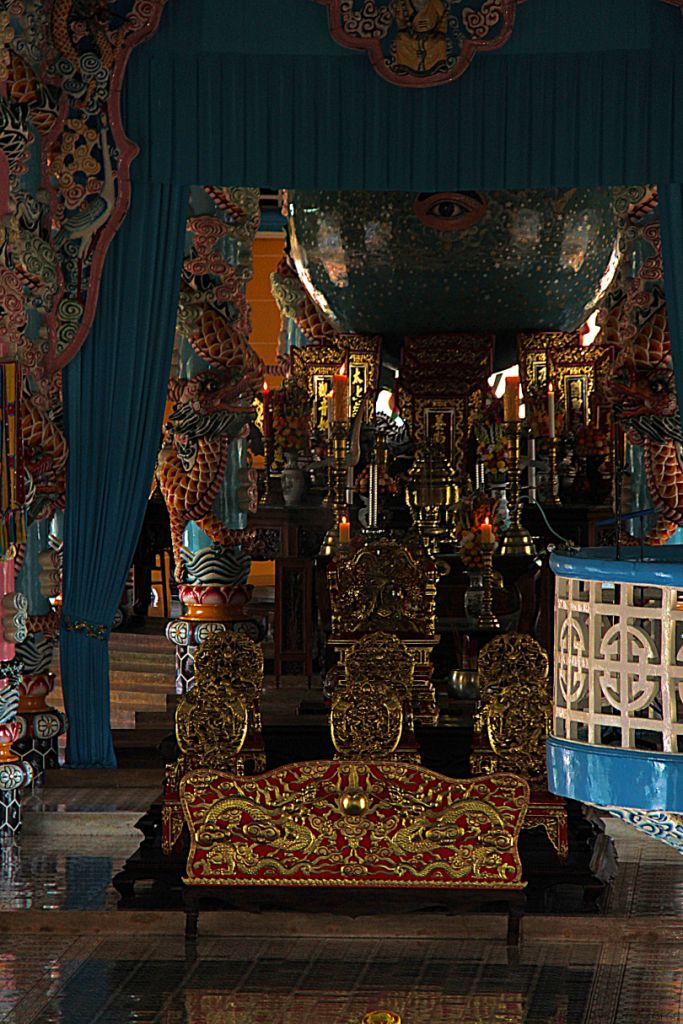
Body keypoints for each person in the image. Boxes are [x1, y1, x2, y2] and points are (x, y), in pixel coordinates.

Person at [391, 0, 448, 76]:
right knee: (401, 40)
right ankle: (404, 65)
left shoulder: (436, 3)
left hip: (431, 36)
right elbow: (401, 24)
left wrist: (438, 31)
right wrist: (408, 30)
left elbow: (443, 20)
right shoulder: (403, 3)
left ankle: (437, 64)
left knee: (440, 43)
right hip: (412, 36)